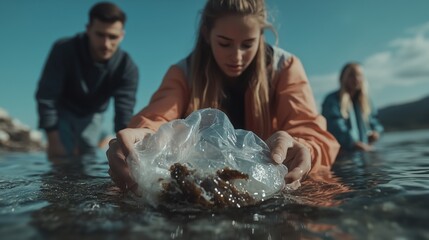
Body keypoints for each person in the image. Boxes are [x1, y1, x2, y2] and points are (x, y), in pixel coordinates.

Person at [107, 0, 340, 193]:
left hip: (267, 183)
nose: (237, 56)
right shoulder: (182, 73)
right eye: (225, 43)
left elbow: (311, 131)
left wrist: (305, 149)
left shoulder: (285, 67)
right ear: (207, 35)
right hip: (200, 183)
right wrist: (144, 140)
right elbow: (156, 117)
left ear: (261, 35)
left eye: (248, 44)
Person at [35, 2, 139, 158]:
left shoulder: (127, 67)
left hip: (94, 114)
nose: (106, 44)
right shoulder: (63, 50)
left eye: (113, 37)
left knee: (88, 158)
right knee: (61, 160)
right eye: (100, 35)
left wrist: (126, 153)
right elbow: (46, 96)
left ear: (122, 35)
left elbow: (124, 113)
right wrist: (53, 141)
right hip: (62, 110)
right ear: (88, 29)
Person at [322, 62, 384, 152]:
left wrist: (376, 132)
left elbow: (374, 120)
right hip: (341, 152)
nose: (356, 79)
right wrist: (352, 143)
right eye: (351, 75)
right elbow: (334, 125)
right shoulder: (332, 100)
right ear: (343, 78)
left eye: (359, 75)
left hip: (363, 149)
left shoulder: (367, 102)